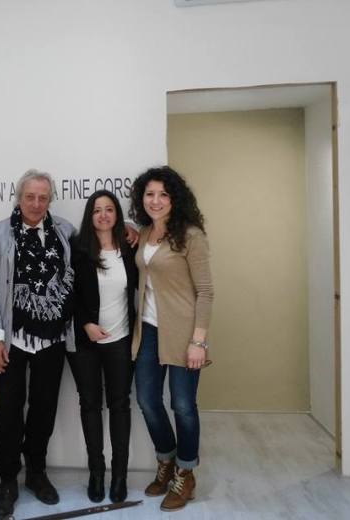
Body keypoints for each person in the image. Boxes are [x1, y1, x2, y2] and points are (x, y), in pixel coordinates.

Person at [0, 169, 76, 519]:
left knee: (44, 409)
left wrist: (129, 229)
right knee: (8, 413)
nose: (36, 204)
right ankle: (8, 480)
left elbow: (97, 246)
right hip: (11, 339)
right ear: (19, 198)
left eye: (43, 197)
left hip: (52, 338)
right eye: (30, 197)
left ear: (50, 199)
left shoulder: (65, 231)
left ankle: (36, 472)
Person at [129, 166, 213, 512]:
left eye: (163, 194)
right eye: (150, 194)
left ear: (174, 198)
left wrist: (198, 342)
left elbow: (205, 292)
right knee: (148, 400)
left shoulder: (191, 236)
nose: (156, 200)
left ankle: (185, 473)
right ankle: (166, 459)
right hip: (148, 330)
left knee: (182, 405)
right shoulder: (144, 233)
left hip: (183, 333)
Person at [70, 190, 138, 503]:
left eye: (109, 209)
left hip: (120, 341)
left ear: (117, 214)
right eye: (97, 210)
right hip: (87, 342)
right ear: (90, 215)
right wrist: (85, 323)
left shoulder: (129, 248)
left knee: (120, 406)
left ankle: (119, 475)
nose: (103, 215)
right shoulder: (78, 249)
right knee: (90, 405)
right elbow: (69, 293)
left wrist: (135, 231)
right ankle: (96, 473)